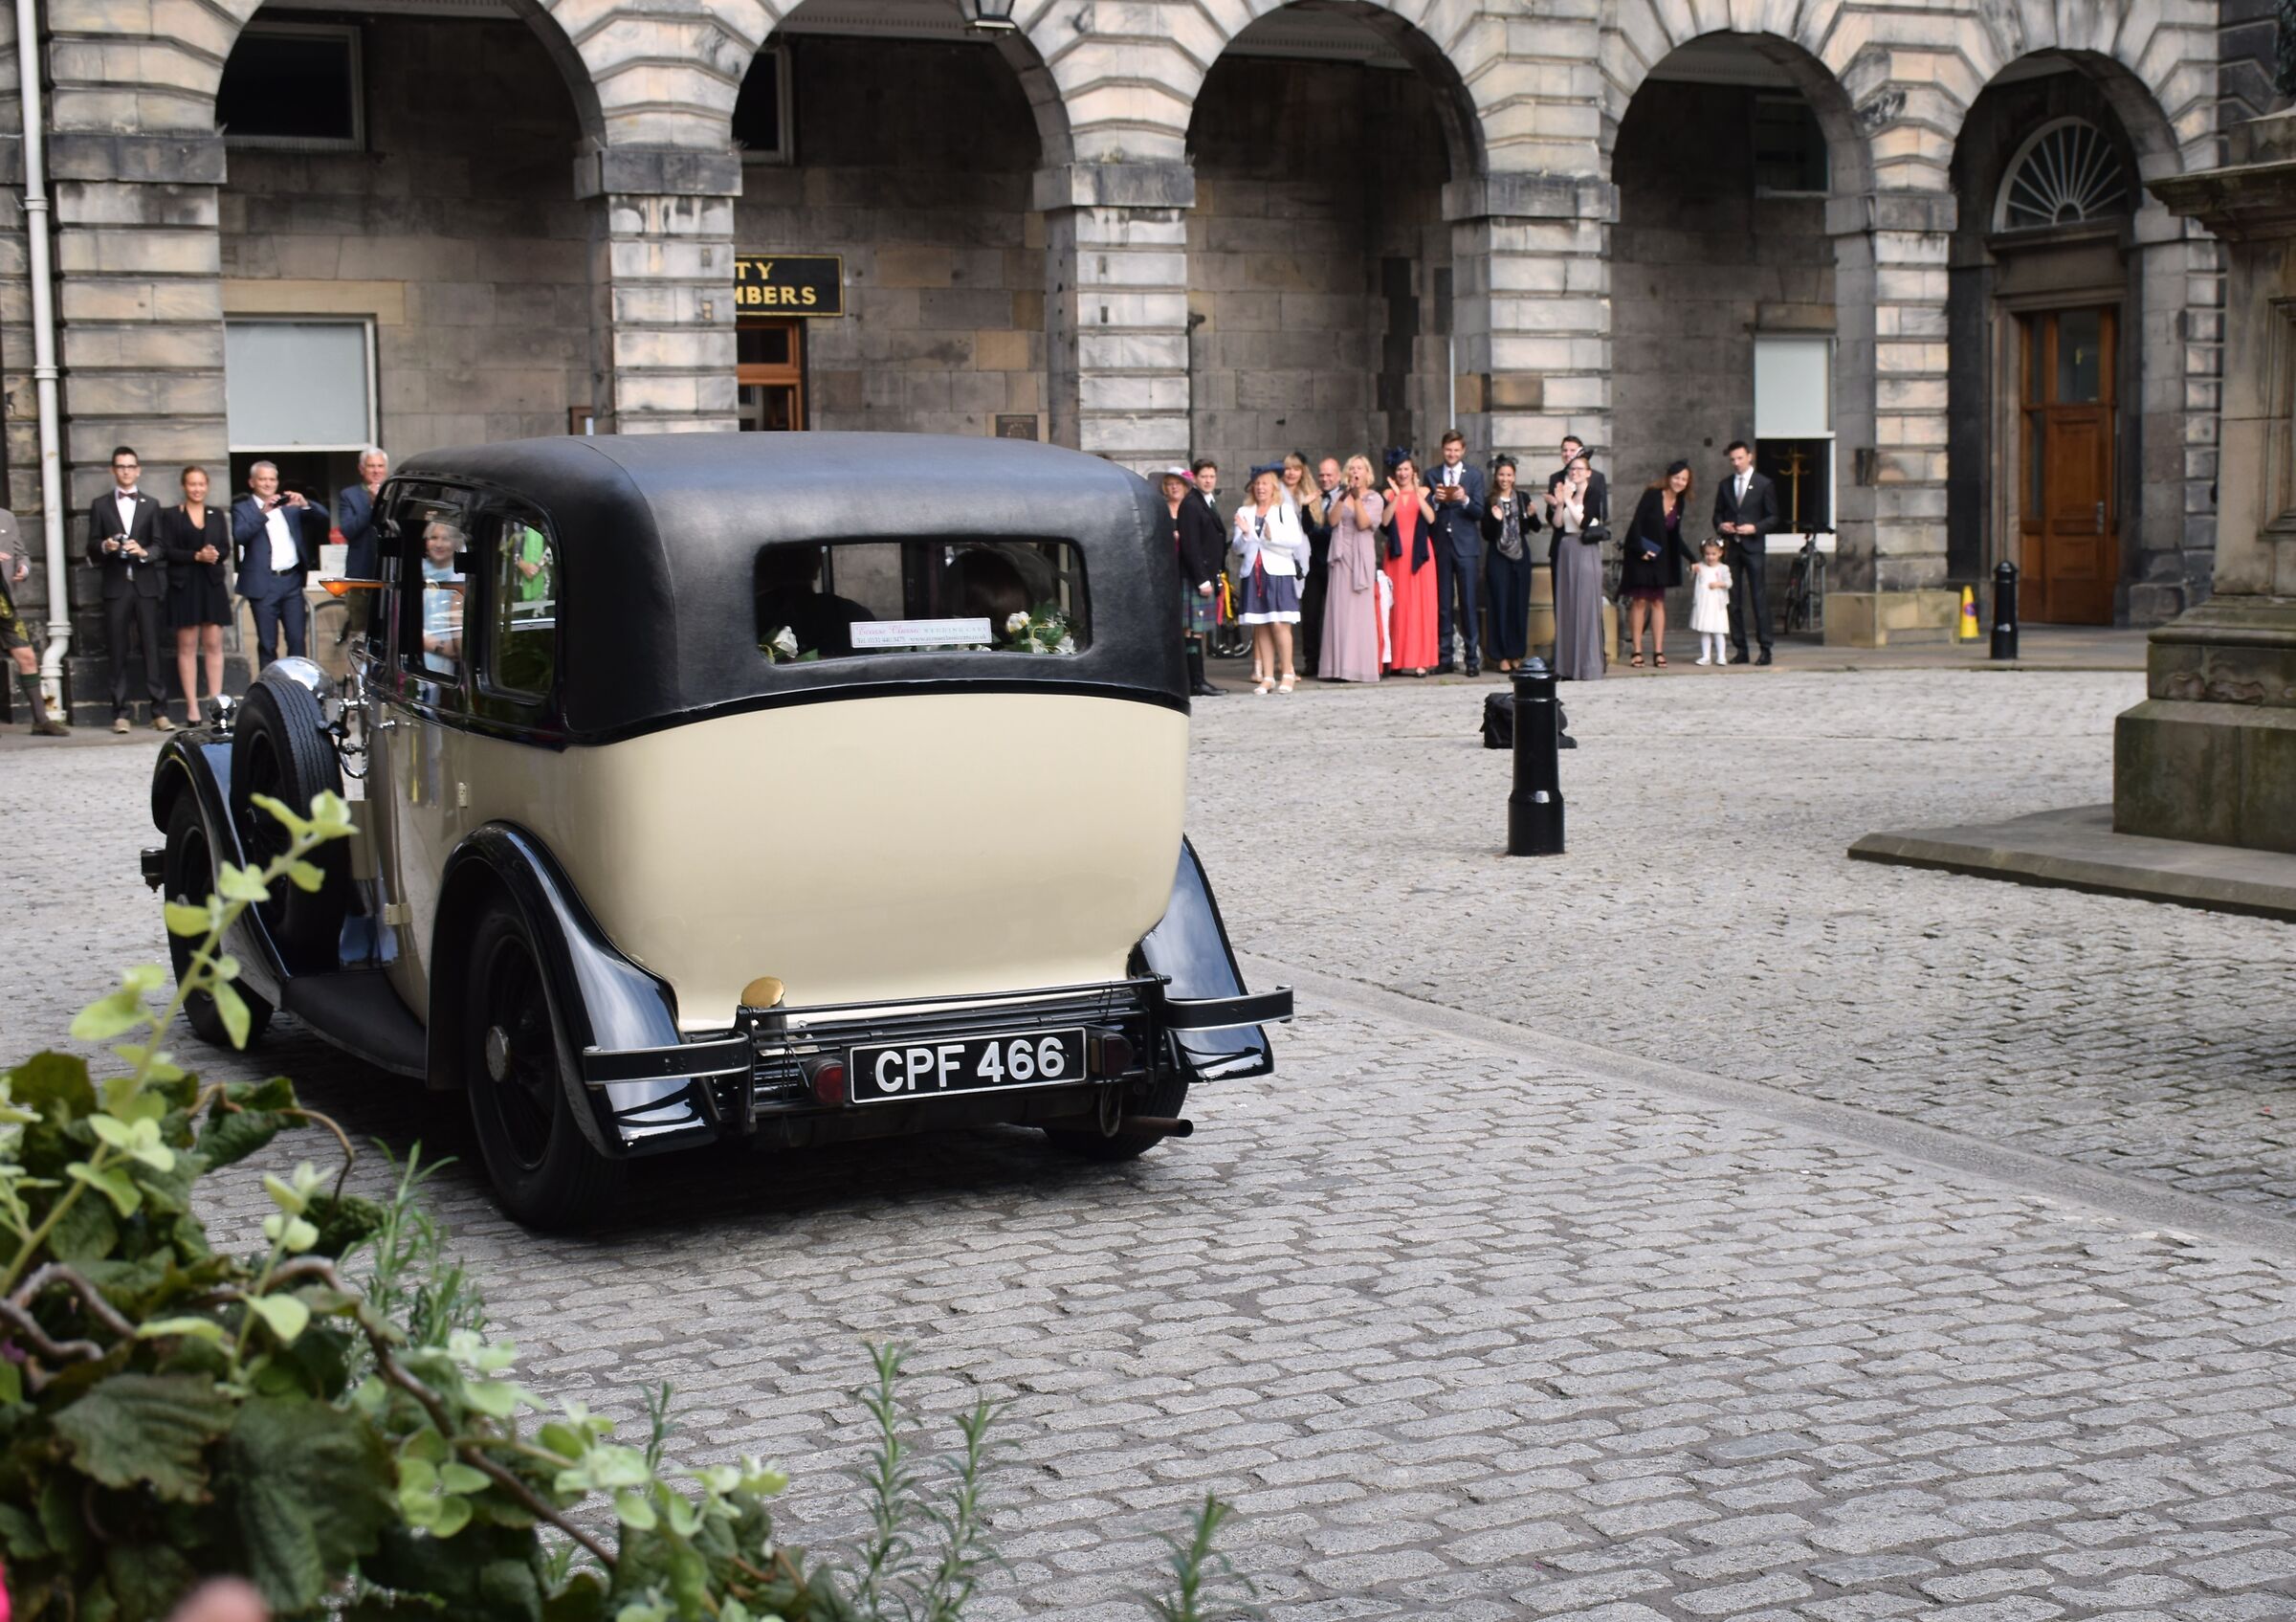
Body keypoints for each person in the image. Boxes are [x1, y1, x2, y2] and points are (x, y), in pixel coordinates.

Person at [85, 444, 170, 733]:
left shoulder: (152, 504)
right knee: (117, 650)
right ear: (113, 470)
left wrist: (143, 551)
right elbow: (90, 547)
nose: (125, 471)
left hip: (146, 585)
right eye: (120, 466)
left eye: (130, 466)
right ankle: (119, 713)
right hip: (116, 585)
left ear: (138, 470)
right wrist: (105, 546)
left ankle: (159, 712)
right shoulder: (100, 504)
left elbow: (160, 547)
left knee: (152, 649)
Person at [231, 461, 327, 668]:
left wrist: (304, 503)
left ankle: (299, 689)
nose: (268, 483)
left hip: (291, 581)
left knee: (296, 640)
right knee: (267, 644)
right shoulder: (243, 508)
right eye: (263, 479)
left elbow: (323, 520)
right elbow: (240, 536)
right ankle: (271, 692)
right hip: (263, 583)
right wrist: (262, 513)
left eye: (272, 479)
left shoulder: (289, 508)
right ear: (252, 482)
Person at [158, 466, 231, 725]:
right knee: (187, 646)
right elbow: (166, 550)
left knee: (213, 644)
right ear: (184, 486)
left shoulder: (217, 514)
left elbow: (225, 548)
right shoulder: (171, 515)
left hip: (211, 584)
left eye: (201, 484)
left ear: (207, 486)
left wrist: (214, 554)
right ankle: (192, 709)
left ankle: (216, 703)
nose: (197, 489)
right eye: (192, 484)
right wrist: (195, 556)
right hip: (184, 585)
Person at [1231, 466, 1311, 694]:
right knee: (1262, 624)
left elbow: (1295, 540)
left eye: (1265, 483)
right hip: (1254, 572)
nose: (1260, 488)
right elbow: (1237, 547)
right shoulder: (1245, 511)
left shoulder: (1284, 510)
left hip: (1278, 571)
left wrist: (1271, 536)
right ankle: (1267, 676)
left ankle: (1287, 672)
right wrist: (1246, 534)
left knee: (1279, 623)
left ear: (1273, 486)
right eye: (1257, 484)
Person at [1622, 460, 1697, 669]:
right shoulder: (1652, 494)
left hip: (1660, 558)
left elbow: (1674, 535)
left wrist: (1691, 557)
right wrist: (1640, 551)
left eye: (1684, 479)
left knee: (1657, 602)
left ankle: (1658, 651)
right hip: (1640, 555)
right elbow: (1636, 523)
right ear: (1669, 477)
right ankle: (1636, 650)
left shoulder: (1680, 502)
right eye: (1676, 477)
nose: (1679, 482)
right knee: (1639, 601)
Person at [1712, 439, 1779, 665]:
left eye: (1740, 458)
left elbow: (1773, 517)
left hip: (1753, 547)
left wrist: (1755, 528)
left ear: (1749, 457)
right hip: (1733, 547)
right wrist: (1722, 526)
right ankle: (1740, 648)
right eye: (1732, 459)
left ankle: (1765, 648)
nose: (1736, 463)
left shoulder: (1763, 483)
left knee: (1758, 597)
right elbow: (1717, 515)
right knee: (1734, 599)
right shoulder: (1725, 484)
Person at [0, 512, 68, 734]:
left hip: (5, 603)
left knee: (27, 657)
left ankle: (41, 720)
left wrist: (24, 568)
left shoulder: (6, 517)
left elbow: (21, 553)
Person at [1319, 455, 1384, 684]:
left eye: (1360, 468)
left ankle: (1358, 668)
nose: (1356, 472)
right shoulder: (1340, 495)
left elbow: (1364, 523)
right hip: (1340, 556)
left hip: (1360, 557)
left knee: (1359, 613)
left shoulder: (1375, 498)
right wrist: (1344, 497)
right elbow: (1332, 521)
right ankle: (1336, 667)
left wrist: (1357, 499)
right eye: (1352, 468)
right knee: (1339, 611)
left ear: (1367, 473)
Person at [1426, 429, 1487, 675]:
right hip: (1441, 543)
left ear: (1463, 451)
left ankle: (1472, 659)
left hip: (1466, 545)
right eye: (1448, 450)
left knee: (1468, 602)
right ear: (1443, 450)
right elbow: (1427, 511)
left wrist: (1464, 499)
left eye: (1456, 450)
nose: (1451, 454)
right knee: (1443, 603)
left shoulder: (1474, 475)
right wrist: (1435, 500)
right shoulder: (1431, 474)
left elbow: (1479, 512)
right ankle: (1445, 657)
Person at [1161, 467, 1224, 697]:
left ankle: (1196, 680)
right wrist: (1202, 580)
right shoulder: (1192, 505)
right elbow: (1191, 546)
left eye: (1211, 476)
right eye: (1204, 476)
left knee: (1194, 631)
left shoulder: (1202, 502)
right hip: (1188, 575)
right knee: (1191, 630)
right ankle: (1195, 682)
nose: (1208, 481)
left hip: (1197, 574)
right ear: (1196, 479)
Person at [1547, 453, 1606, 681]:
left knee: (1586, 606)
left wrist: (1569, 500)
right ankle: (1566, 665)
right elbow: (1558, 523)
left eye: (1580, 469)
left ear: (1588, 473)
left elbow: (1584, 522)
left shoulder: (1593, 494)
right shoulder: (1567, 493)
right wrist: (1561, 502)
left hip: (1585, 547)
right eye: (1572, 469)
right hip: (1566, 547)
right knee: (1567, 606)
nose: (1575, 473)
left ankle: (1587, 665)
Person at [1380, 455, 1440, 677]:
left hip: (1420, 555)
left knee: (1420, 607)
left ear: (1414, 471)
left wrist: (1415, 491)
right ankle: (1395, 659)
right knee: (1398, 606)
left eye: (1406, 469)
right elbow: (1384, 522)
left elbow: (1431, 518)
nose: (1402, 473)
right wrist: (1395, 495)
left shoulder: (1424, 492)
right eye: (1399, 469)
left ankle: (1421, 660)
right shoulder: (1387, 494)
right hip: (1396, 556)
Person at [1479, 455, 1538, 674]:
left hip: (1520, 557)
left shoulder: (1522, 498)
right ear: (1496, 477)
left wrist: (1532, 515)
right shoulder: (1490, 501)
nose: (1505, 478)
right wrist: (1495, 520)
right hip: (1498, 557)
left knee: (1518, 605)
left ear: (1514, 477)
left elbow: (1535, 527)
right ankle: (1500, 655)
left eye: (1509, 475)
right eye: (1501, 474)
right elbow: (1486, 535)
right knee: (1499, 605)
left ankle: (1516, 653)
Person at [336, 446, 388, 645]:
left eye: (380, 466)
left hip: (389, 572)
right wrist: (372, 507)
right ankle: (359, 674)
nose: (376, 471)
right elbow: (348, 530)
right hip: (361, 574)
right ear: (361, 469)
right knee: (360, 631)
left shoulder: (395, 492)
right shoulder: (349, 495)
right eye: (371, 466)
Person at [1296, 456, 1342, 678]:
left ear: (1338, 476)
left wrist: (1317, 531)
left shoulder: (1344, 497)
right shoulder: (1313, 497)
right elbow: (1306, 529)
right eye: (1322, 475)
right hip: (1314, 564)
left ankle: (1334, 661)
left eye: (1329, 475)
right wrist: (1305, 508)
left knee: (1335, 614)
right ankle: (1311, 661)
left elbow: (1332, 530)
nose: (1324, 479)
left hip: (1337, 562)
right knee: (1311, 614)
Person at [417, 521, 465, 675]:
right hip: (418, 657)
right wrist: (437, 645)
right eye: (433, 537)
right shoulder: (415, 571)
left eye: (445, 539)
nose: (438, 544)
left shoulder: (462, 576)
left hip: (454, 666)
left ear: (456, 542)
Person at [1689, 538, 1733, 666]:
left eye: (1713, 554)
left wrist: (1719, 584)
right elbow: (1692, 577)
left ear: (1720, 553)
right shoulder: (1700, 566)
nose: (1710, 557)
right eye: (1707, 554)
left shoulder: (1723, 568)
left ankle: (1721, 656)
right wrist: (1692, 570)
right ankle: (1706, 656)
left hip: (1717, 604)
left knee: (1718, 630)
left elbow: (1729, 583)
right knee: (1705, 630)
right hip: (1704, 603)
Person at [1548, 433, 1609, 518]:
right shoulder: (1555, 478)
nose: (1567, 454)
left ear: (1580, 452)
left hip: (1589, 529)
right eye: (1564, 450)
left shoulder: (1597, 477)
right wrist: (1556, 505)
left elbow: (1603, 514)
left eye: (1572, 450)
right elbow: (1549, 517)